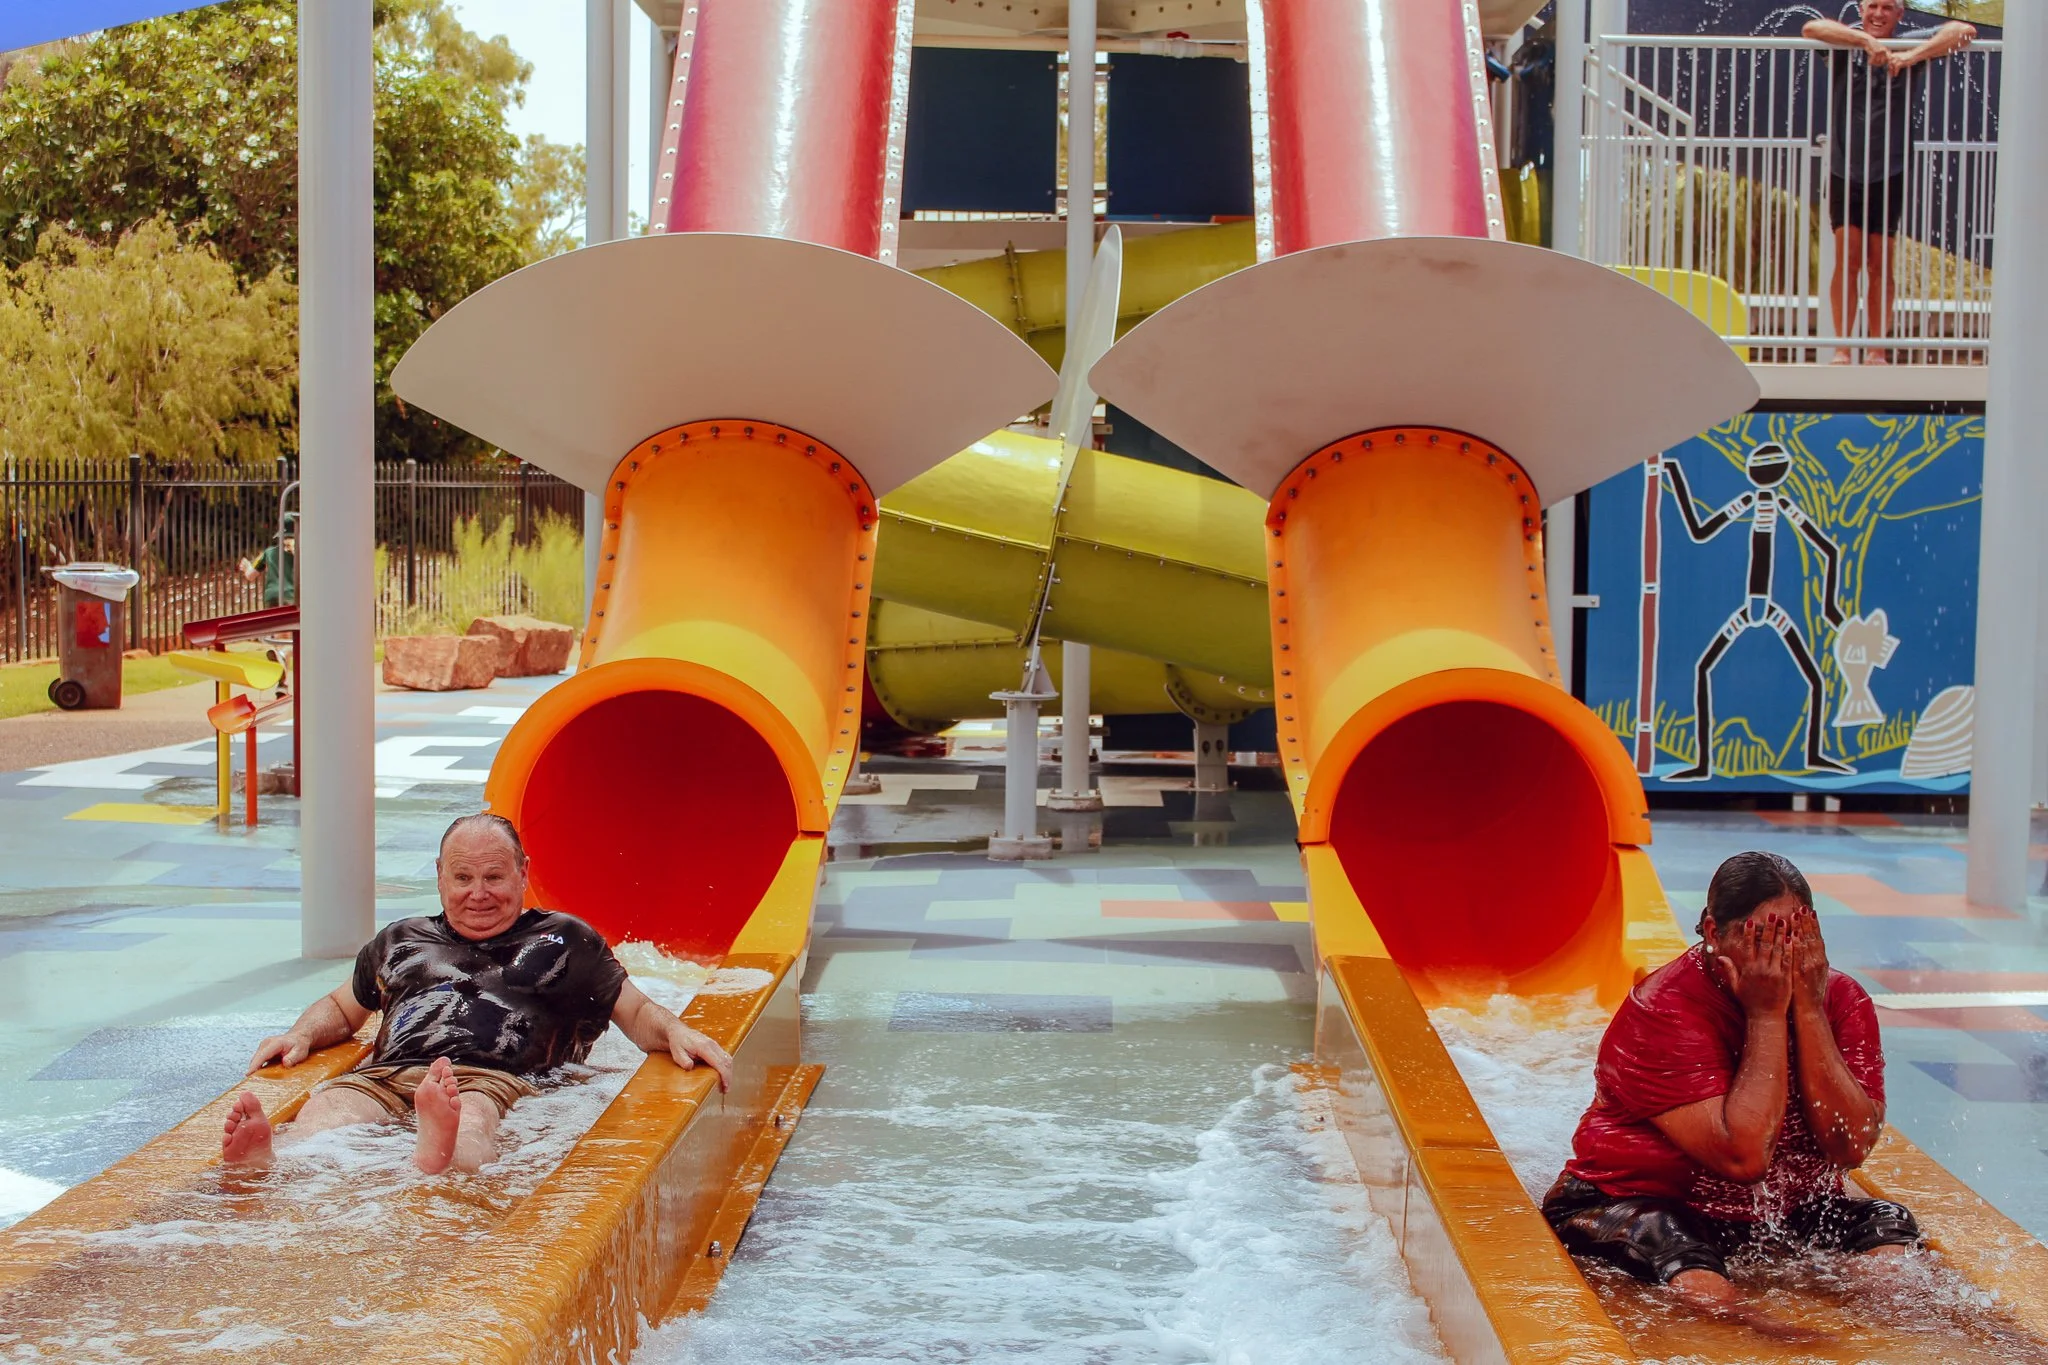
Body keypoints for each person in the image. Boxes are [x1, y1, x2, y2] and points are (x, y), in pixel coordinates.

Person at [221, 812, 733, 1176]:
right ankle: (269, 1159)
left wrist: (676, 1030)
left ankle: (440, 1152)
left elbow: (636, 1011)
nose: (478, 892)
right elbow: (341, 1007)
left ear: (523, 873)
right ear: (440, 877)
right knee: (328, 1111)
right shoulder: (401, 939)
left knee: (473, 1118)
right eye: (462, 877)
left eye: (494, 876)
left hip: (494, 1076)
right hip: (389, 1073)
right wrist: (300, 1034)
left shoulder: (564, 940)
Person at [1542, 852, 1918, 1327]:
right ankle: (1761, 1338)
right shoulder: (1663, 1009)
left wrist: (1808, 1012)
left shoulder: (1841, 999)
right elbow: (1743, 1159)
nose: (1779, 954)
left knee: (1886, 1223)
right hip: (1631, 1203)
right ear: (1713, 932)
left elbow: (1851, 1146)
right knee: (1671, 1241)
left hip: (1766, 1216)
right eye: (1761, 937)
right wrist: (1765, 1014)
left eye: (1794, 935)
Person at [1803, 1, 1977, 364]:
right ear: (1862, 9)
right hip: (1844, 167)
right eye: (1872, 6)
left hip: (1889, 168)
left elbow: (1963, 31)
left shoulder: (1908, 43)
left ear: (1900, 15)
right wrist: (1866, 43)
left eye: (1887, 8)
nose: (1877, 14)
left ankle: (1878, 349)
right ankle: (1843, 348)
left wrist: (1912, 56)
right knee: (1847, 260)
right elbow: (1810, 28)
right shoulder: (1845, 42)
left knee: (1879, 262)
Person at [238, 513, 299, 608]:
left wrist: (247, 567)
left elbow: (250, 575)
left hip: (271, 597)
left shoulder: (268, 553)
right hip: (291, 596)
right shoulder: (303, 555)